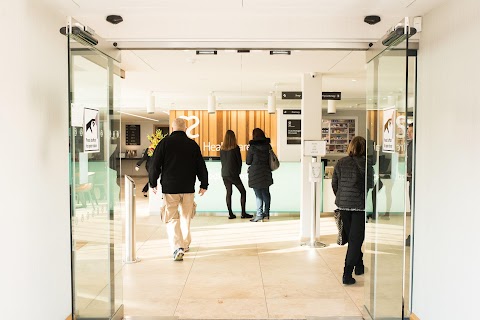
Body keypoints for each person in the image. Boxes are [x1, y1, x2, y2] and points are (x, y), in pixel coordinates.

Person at [149, 118, 209, 261]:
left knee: (172, 218)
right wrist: (204, 184)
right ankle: (186, 244)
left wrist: (153, 183)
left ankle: (178, 247)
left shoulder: (164, 143)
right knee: (186, 217)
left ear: (172, 128)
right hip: (188, 187)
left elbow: (154, 165)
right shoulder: (192, 144)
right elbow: (201, 166)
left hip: (170, 188)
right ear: (186, 128)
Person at [332, 136, 372, 285]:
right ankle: (347, 273)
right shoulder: (367, 164)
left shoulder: (341, 162)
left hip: (343, 206)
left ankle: (359, 265)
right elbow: (371, 184)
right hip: (359, 207)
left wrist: (342, 196)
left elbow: (334, 183)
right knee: (355, 240)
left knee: (352, 239)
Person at [220, 130, 253, 220]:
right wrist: (238, 172)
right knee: (243, 192)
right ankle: (243, 213)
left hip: (224, 174)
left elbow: (222, 161)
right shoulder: (235, 148)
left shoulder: (222, 149)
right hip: (233, 174)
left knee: (229, 193)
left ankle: (230, 213)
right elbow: (239, 162)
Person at [246, 128, 274, 222]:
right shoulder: (268, 146)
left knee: (258, 195)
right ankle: (266, 214)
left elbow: (248, 161)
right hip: (266, 172)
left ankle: (259, 214)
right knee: (266, 193)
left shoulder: (252, 147)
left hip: (255, 173)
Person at [405, 123, 414, 246]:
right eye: (408, 131)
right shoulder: (411, 144)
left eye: (411, 131)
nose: (408, 133)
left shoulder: (415, 145)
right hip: (412, 179)